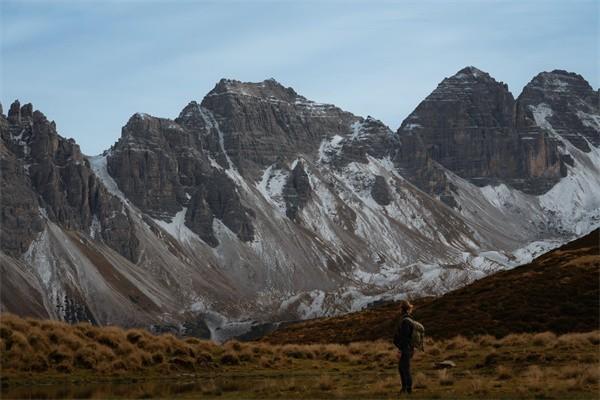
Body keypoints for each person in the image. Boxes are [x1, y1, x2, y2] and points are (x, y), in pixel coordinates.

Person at [393, 300, 415, 394]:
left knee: (404, 368)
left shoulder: (405, 321)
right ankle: (405, 388)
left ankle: (407, 389)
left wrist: (400, 350)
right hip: (409, 348)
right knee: (403, 368)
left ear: (402, 309)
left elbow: (405, 337)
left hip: (405, 348)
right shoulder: (409, 319)